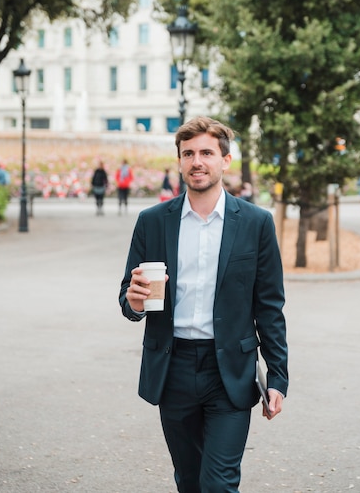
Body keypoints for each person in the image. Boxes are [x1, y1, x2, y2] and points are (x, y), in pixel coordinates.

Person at [119, 116, 288, 493]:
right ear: (179, 161)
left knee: (219, 484)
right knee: (190, 480)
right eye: (189, 153)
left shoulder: (256, 223)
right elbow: (129, 297)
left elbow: (270, 306)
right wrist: (133, 302)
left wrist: (278, 376)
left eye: (207, 153)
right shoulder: (153, 221)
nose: (198, 161)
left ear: (225, 161)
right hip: (172, 365)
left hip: (228, 370)